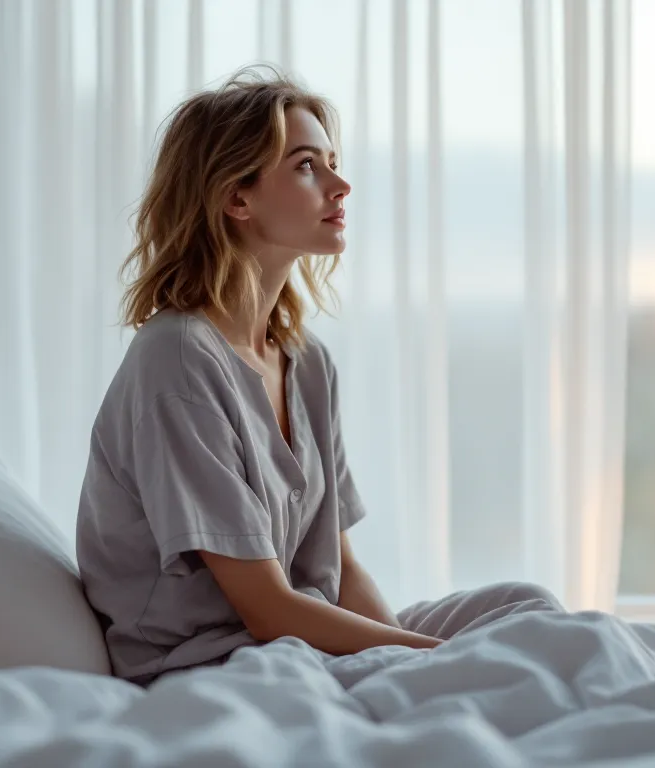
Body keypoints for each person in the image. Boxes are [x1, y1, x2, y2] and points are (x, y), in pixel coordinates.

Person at [76, 67, 562, 686]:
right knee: (515, 659)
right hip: (221, 664)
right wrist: (437, 663)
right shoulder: (175, 359)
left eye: (331, 162)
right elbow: (267, 607)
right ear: (236, 197)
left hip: (306, 639)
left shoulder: (306, 363)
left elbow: (342, 569)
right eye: (308, 165)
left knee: (530, 608)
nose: (341, 184)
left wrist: (412, 673)